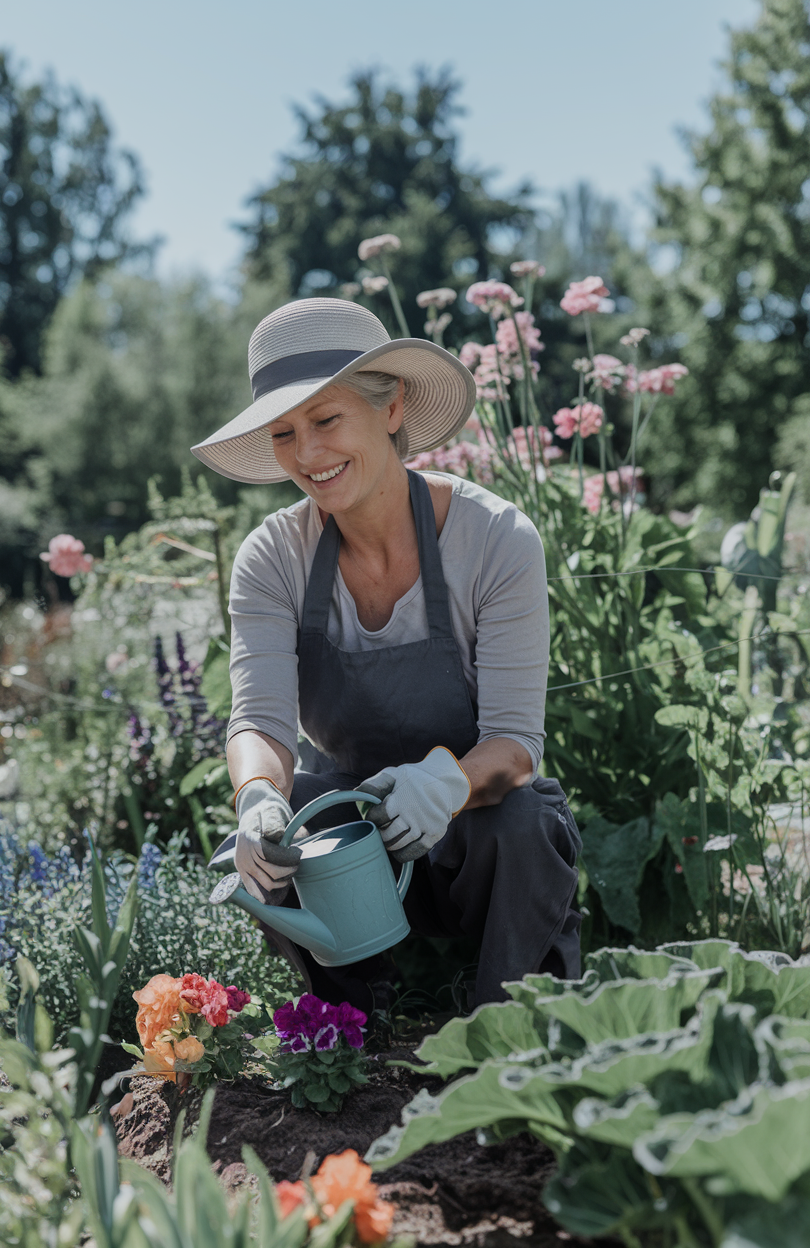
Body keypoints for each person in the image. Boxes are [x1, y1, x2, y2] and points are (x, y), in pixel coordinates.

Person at [191, 297, 581, 1014]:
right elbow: (261, 723)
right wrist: (258, 799)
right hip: (353, 845)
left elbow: (517, 746)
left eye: (327, 420)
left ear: (393, 406)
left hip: (474, 836)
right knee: (276, 833)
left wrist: (445, 784)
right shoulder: (273, 557)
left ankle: (513, 1030)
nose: (307, 454)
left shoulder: (496, 540)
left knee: (523, 821)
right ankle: (345, 1026)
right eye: (283, 432)